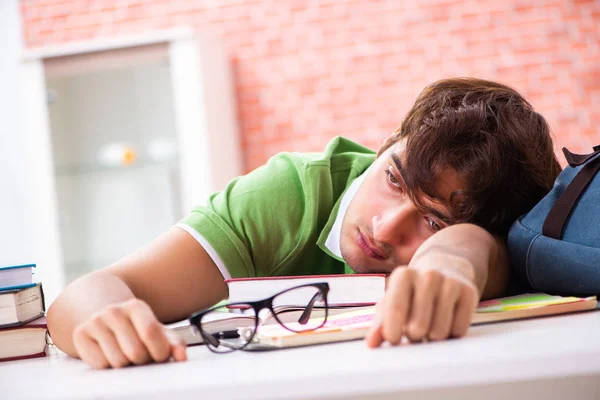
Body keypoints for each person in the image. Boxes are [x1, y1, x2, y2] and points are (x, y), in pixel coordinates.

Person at [47, 78, 561, 369]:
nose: (384, 229)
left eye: (432, 221)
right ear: (385, 145)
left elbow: (480, 251)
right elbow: (87, 294)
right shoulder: (290, 194)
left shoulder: (501, 239)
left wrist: (453, 257)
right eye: (394, 180)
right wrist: (102, 318)